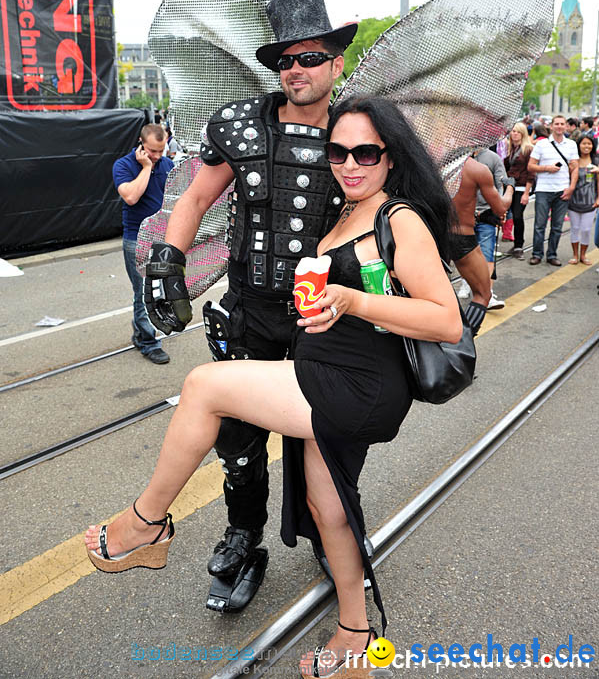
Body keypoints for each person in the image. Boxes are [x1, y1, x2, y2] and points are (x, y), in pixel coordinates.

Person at [85, 95, 461, 676]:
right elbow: (203, 195)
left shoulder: (397, 217)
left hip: (352, 382)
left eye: (366, 152)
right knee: (326, 505)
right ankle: (356, 634)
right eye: (339, 151)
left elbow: (445, 318)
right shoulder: (346, 211)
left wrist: (353, 300)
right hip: (329, 369)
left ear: (390, 156)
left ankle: (146, 523)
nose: (350, 163)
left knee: (205, 387)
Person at [143, 0, 358, 611]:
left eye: (311, 56)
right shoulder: (242, 125)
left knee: (327, 438)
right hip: (248, 314)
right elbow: (193, 199)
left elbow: (387, 220)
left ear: (335, 63)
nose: (297, 69)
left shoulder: (359, 134)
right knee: (237, 442)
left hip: (324, 318)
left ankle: (329, 531)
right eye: (286, 59)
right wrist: (168, 260)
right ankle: (245, 534)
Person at [113, 124, 174, 364]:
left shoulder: (167, 165)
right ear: (140, 143)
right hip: (137, 239)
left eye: (161, 151)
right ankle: (148, 343)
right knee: (144, 292)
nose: (157, 156)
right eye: (152, 151)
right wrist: (146, 167)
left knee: (157, 290)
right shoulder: (124, 165)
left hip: (161, 239)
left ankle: (141, 334)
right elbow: (131, 196)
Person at [448, 153, 513, 331]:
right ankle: (464, 339)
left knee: (439, 294)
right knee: (483, 293)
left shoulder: (431, 165)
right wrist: (510, 188)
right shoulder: (476, 169)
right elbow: (500, 207)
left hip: (433, 236)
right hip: (462, 237)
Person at [528, 114, 579, 266]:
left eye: (562, 124)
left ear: (565, 126)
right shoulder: (541, 145)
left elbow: (575, 168)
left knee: (557, 226)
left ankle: (552, 254)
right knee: (539, 225)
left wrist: (571, 188)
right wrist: (546, 168)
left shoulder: (571, 144)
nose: (559, 126)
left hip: (562, 190)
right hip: (543, 189)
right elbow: (531, 166)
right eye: (556, 124)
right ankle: (537, 254)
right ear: (551, 126)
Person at [503, 122, 534, 259]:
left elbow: (531, 172)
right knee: (509, 215)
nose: (514, 133)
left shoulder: (528, 149)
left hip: (521, 187)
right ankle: (516, 245)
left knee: (517, 216)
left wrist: (527, 193)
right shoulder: (510, 148)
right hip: (510, 186)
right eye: (513, 131)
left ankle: (519, 246)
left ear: (523, 134)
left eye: (518, 131)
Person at [567, 135, 599, 264]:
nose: (587, 146)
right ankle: (575, 255)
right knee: (575, 228)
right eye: (584, 144)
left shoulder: (596, 161)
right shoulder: (574, 160)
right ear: (578, 145)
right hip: (574, 201)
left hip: (590, 201)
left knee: (586, 229)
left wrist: (598, 198)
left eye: (589, 144)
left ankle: (583, 255)